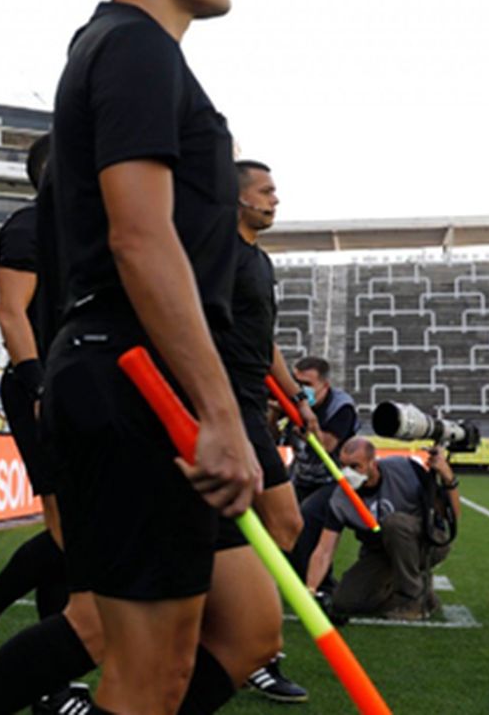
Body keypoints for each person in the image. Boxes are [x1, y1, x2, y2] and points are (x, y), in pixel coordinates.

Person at [36, 0, 256, 713]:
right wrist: (219, 413)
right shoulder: (133, 46)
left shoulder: (113, 46)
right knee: (149, 675)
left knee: (240, 631)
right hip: (140, 379)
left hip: (123, 373)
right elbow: (139, 237)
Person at [0, 134, 95, 713]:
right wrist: (38, 386)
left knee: (75, 537)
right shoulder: (29, 226)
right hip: (43, 387)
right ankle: (49, 680)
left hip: (86, 387)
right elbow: (12, 313)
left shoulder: (91, 232)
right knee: (69, 537)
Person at [209, 160, 311, 703]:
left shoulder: (259, 261)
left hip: (252, 400)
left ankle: (241, 641)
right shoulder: (217, 254)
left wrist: (294, 396)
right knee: (284, 523)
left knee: (245, 527)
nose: (276, 199)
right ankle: (251, 648)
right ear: (238, 199)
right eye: (266, 191)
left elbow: (262, 340)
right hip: (224, 404)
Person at [306, 439, 459, 620]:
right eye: (343, 466)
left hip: (427, 542)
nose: (347, 473)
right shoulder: (340, 498)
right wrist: (310, 591)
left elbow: (450, 515)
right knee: (344, 602)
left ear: (373, 463)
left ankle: (413, 599)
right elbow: (324, 550)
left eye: (355, 466)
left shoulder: (405, 470)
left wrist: (448, 476)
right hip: (381, 552)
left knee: (394, 524)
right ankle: (423, 593)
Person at [286, 356, 360, 588]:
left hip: (334, 479)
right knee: (284, 520)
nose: (301, 390)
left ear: (324, 386)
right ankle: (299, 579)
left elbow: (327, 446)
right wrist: (275, 410)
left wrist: (310, 419)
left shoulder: (341, 407)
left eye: (307, 385)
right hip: (302, 474)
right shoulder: (290, 400)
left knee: (308, 519)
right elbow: (271, 434)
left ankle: (324, 585)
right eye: (297, 382)